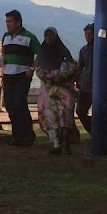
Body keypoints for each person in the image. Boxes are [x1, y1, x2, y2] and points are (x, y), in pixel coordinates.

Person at [36, 27, 78, 155]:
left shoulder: (63, 51)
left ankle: (65, 142)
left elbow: (72, 67)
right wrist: (49, 78)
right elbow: (38, 68)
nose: (49, 37)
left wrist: (61, 76)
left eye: (51, 35)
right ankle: (56, 144)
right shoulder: (42, 53)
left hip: (63, 89)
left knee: (63, 115)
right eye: (46, 35)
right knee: (49, 116)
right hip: (47, 89)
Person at [1, 10, 40, 146]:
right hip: (7, 75)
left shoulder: (29, 37)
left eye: (10, 21)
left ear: (18, 22)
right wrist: (1, 63)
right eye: (6, 22)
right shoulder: (5, 37)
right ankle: (18, 135)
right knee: (10, 105)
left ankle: (28, 134)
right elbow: (4, 54)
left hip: (22, 75)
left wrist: (32, 68)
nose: (8, 24)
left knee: (19, 103)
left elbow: (40, 55)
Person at [76, 24, 95, 134]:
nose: (88, 36)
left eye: (90, 34)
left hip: (97, 87)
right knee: (80, 112)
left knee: (98, 113)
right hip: (85, 86)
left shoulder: (101, 50)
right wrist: (76, 79)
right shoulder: (83, 50)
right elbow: (79, 67)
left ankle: (97, 134)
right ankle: (93, 131)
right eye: (86, 34)